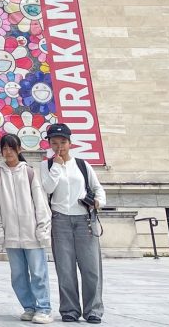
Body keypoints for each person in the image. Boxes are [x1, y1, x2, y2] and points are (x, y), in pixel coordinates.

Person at [40, 123, 105, 324]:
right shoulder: (47, 166)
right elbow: (48, 188)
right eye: (55, 143)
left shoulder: (83, 165)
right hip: (60, 220)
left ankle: (93, 310)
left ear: (70, 142)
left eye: (63, 142)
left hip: (84, 219)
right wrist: (57, 166)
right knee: (65, 269)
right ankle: (69, 310)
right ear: (49, 144)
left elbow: (98, 188)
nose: (59, 146)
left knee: (91, 268)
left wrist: (98, 202)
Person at [0, 134, 52, 324]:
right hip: (11, 234)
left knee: (39, 273)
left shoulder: (29, 172)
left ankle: (44, 308)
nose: (8, 152)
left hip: (32, 234)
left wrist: (42, 228)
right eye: (4, 148)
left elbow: (40, 202)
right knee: (18, 274)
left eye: (11, 148)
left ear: (19, 149)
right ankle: (29, 307)